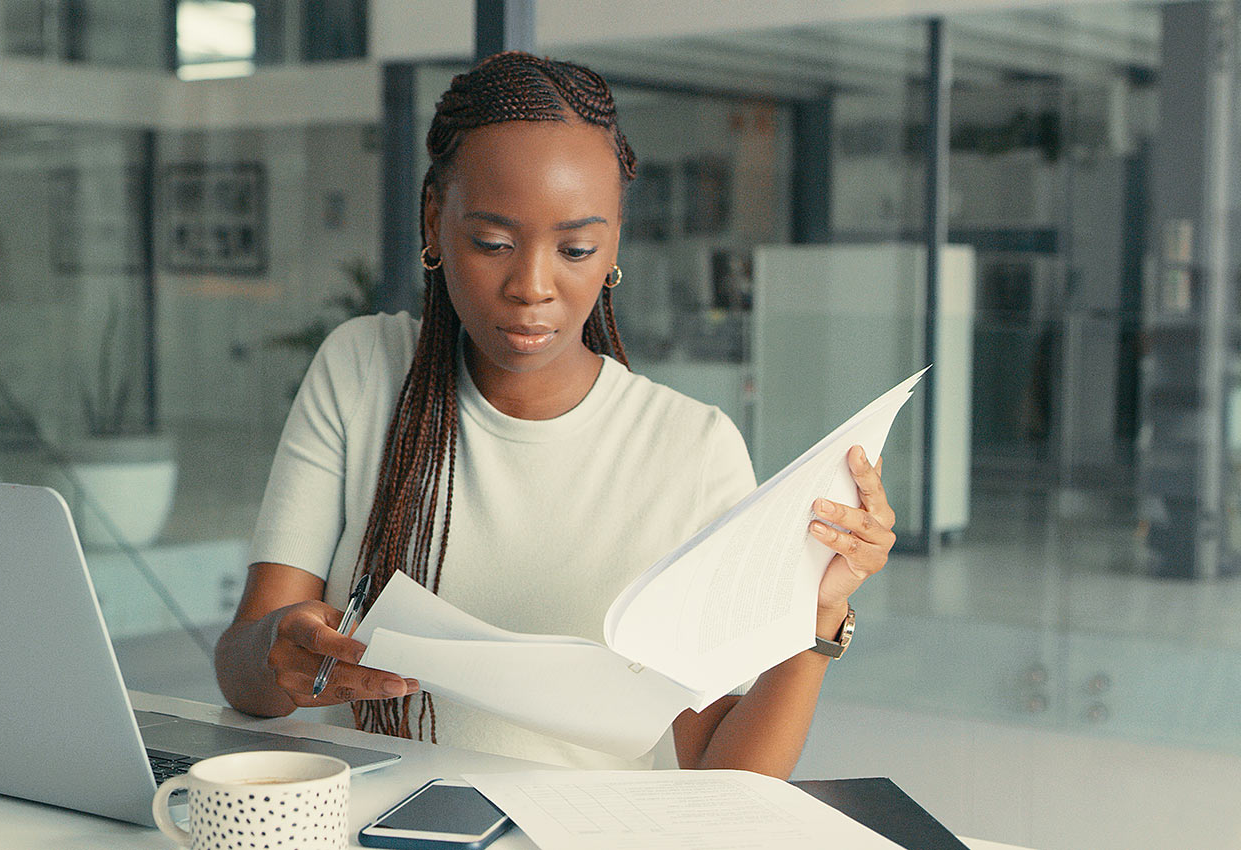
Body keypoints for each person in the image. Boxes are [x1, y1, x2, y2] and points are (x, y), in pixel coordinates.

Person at [213, 51, 895, 778]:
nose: (531, 286)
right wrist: (277, 656)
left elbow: (727, 779)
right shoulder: (361, 369)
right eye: (493, 243)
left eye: (575, 248)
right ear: (434, 218)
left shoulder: (691, 449)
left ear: (613, 247)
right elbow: (244, 672)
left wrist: (815, 616)